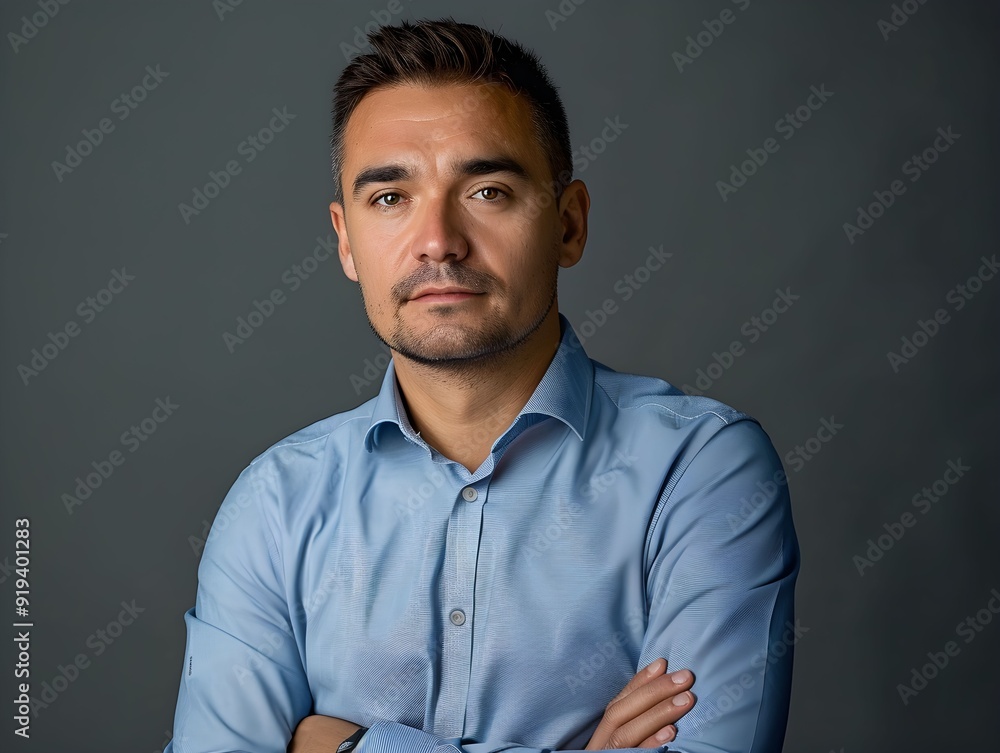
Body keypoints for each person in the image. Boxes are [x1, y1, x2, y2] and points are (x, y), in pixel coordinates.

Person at [163, 17, 799, 753]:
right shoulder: (273, 505)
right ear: (345, 239)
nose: (437, 239)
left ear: (569, 225)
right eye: (390, 199)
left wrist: (347, 746)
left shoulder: (699, 469)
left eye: (488, 190)